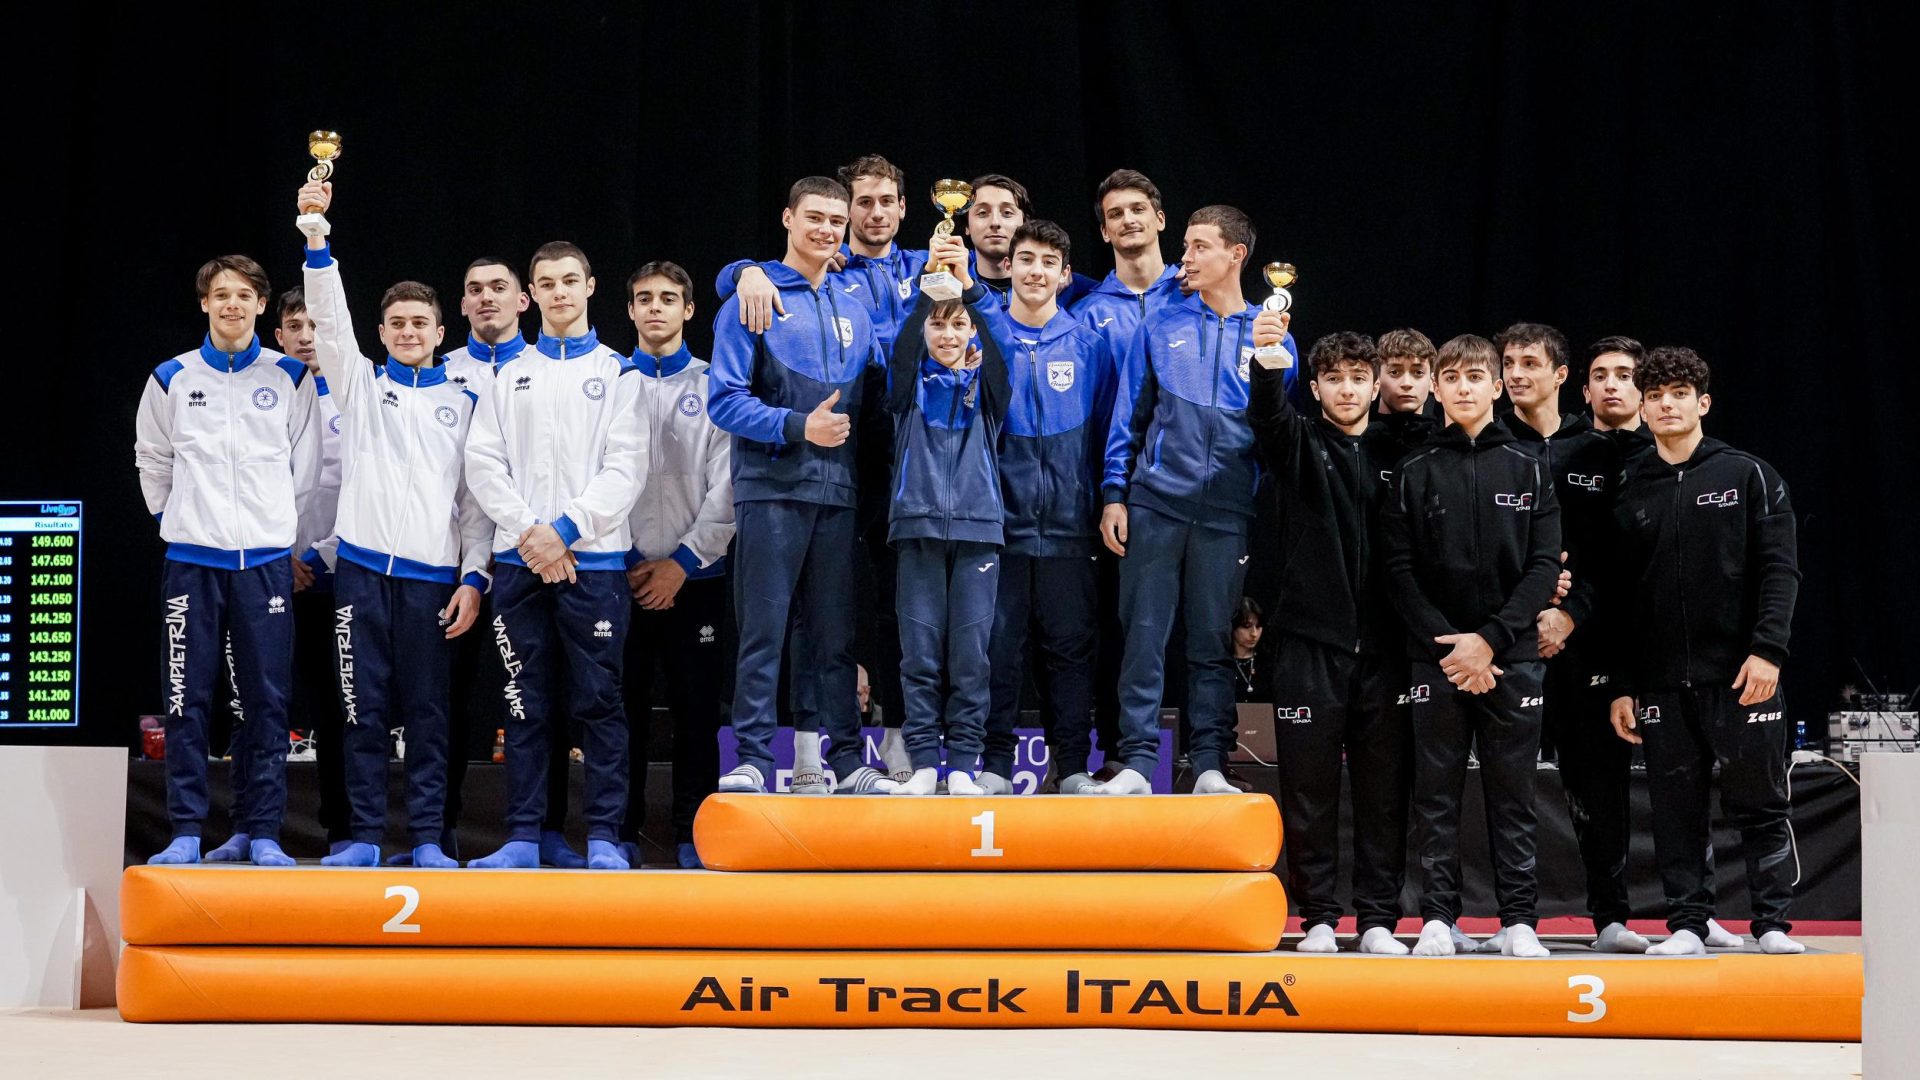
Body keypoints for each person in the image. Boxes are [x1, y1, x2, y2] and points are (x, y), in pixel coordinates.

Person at [296, 179, 489, 868]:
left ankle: (431, 841)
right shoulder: (361, 388)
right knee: (359, 714)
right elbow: (328, 320)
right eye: (397, 324)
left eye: (420, 324)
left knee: (432, 720)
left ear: (442, 333)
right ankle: (368, 839)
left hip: (432, 583)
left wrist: (473, 578)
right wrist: (317, 238)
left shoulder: (467, 405)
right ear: (381, 335)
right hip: (360, 578)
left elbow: (474, 505)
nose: (409, 332)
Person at [1249, 330, 1442, 954]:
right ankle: (1321, 920)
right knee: (1309, 789)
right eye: (1335, 378)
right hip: (1309, 644)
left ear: (1375, 383)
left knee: (1383, 793)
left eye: (1360, 377)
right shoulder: (1297, 440)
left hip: (1386, 650)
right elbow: (1268, 414)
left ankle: (1378, 920)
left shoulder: (1406, 452)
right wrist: (1266, 360)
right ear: (1316, 387)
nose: (1348, 388)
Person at [1607, 346, 1805, 956]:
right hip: (1661, 683)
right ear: (1643, 407)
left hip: (1744, 675)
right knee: (1674, 811)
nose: (1667, 404)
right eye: (1656, 395)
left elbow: (1780, 571)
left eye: (1679, 394)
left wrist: (1768, 650)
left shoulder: (1748, 475)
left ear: (1703, 403)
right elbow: (1620, 597)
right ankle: (1689, 925)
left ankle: (1771, 924)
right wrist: (1622, 683)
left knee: (1760, 802)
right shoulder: (1630, 488)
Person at [1098, 205, 1296, 796]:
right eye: (1185, 244)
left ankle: (1210, 762)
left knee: (1212, 641)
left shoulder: (1271, 332)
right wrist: (1115, 493)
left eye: (1200, 246)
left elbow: (1278, 431)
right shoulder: (1160, 323)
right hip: (1156, 502)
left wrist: (1247, 492)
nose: (1186, 256)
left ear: (1236, 255)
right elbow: (1128, 416)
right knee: (1144, 636)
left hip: (1227, 512)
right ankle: (1137, 763)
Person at [464, 240, 648, 869]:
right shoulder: (505, 376)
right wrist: (530, 535)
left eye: (570, 280)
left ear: (591, 286)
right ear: (531, 296)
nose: (560, 292)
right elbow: (483, 464)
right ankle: (523, 837)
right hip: (520, 563)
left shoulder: (621, 374)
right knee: (523, 702)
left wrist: (564, 531)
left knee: (598, 702)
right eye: (547, 283)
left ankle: (601, 836)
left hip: (592, 564)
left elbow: (627, 469)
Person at [707, 176, 894, 795]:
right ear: (787, 218)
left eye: (836, 221)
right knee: (762, 634)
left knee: (836, 637)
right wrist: (796, 426)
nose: (827, 230)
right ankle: (756, 760)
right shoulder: (749, 298)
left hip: (837, 495)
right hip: (770, 488)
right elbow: (724, 402)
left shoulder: (856, 304)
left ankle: (846, 760)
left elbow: (879, 397)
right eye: (814, 217)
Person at [135, 253, 320, 866]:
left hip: (264, 562)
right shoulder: (171, 378)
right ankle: (186, 828)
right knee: (187, 695)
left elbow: (305, 468)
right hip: (192, 562)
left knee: (267, 699)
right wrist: (175, 523)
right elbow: (153, 461)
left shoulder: (291, 378)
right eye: (221, 294)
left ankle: (261, 827)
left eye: (244, 294)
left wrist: (276, 532)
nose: (232, 304)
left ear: (262, 305)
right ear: (205, 304)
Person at [1384, 334, 1561, 958]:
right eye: (1451, 376)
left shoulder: (1531, 463)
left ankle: (1519, 920)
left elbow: (1543, 568)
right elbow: (1398, 571)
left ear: (1495, 386)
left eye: (1475, 376)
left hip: (1510, 659)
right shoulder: (1413, 469)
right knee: (1435, 793)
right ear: (1437, 388)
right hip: (1436, 661)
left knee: (1514, 794)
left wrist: (1489, 642)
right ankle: (1438, 917)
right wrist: (1454, 650)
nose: (1463, 387)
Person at [1495, 321, 1649, 952]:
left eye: (1530, 362)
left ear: (1564, 378)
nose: (1514, 374)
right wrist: (1519, 614)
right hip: (1504, 638)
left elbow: (1610, 557)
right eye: (1507, 362)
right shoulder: (1486, 442)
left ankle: (1610, 916)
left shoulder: (1597, 452)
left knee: (1599, 785)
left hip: (1580, 641)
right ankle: (1513, 920)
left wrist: (1568, 614)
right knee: (1504, 784)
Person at [977, 220, 1117, 794]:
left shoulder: (1090, 345)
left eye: (1048, 262)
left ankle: (1075, 769)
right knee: (996, 653)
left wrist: (1108, 497)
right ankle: (993, 768)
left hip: (1070, 531)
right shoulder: (981, 339)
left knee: (1071, 655)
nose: (1035, 271)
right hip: (999, 529)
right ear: (1007, 268)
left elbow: (1112, 431)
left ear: (1065, 275)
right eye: (1025, 259)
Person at [884, 229, 1010, 795]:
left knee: (970, 657)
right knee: (920, 655)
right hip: (916, 526)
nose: (948, 333)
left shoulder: (989, 390)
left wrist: (971, 293)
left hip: (980, 532)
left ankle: (962, 764)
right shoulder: (906, 387)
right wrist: (928, 291)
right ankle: (921, 764)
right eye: (941, 323)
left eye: (958, 324)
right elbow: (905, 341)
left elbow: (1002, 341)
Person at [618, 260, 731, 868]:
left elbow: (728, 489)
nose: (655, 308)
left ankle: (695, 835)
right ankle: (619, 835)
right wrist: (630, 558)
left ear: (689, 311)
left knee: (695, 713)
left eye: (668, 298)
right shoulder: (607, 383)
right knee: (621, 712)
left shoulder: (717, 385)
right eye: (643, 298)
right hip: (623, 578)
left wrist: (682, 563)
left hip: (697, 581)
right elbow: (598, 479)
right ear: (630, 310)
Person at [1230, 597, 1263, 703]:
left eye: (1258, 626)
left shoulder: (1268, 663)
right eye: (1247, 626)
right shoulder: (1222, 663)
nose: (1254, 633)